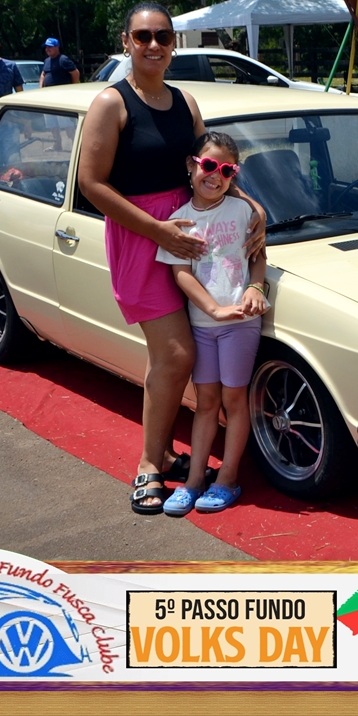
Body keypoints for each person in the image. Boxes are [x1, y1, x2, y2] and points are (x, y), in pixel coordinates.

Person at [75, 1, 266, 515]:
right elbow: (91, 184)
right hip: (142, 238)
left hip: (197, 235)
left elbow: (213, 165)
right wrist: (158, 230)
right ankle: (148, 463)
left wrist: (252, 206)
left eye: (163, 35)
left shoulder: (185, 102)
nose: (153, 45)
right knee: (177, 354)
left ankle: (163, 451)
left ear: (174, 43)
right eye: (143, 36)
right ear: (126, 42)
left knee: (177, 354)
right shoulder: (110, 104)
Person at [158, 131, 268, 516]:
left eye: (226, 170)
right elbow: (182, 274)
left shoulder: (244, 212)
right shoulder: (178, 222)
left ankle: (228, 478)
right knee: (205, 402)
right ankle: (192, 482)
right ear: (192, 165)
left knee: (234, 400)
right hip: (203, 325)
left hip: (240, 323)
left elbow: (257, 255)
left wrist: (255, 285)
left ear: (233, 174)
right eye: (208, 165)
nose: (215, 175)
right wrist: (213, 310)